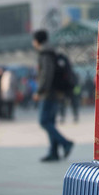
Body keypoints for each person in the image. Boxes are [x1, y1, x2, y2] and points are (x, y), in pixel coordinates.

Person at [32, 29, 74, 162]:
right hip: (55, 93)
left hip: (48, 93)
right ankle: (53, 152)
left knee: (43, 121)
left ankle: (66, 143)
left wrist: (40, 91)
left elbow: (46, 74)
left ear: (37, 41)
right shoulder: (52, 53)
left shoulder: (45, 54)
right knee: (50, 122)